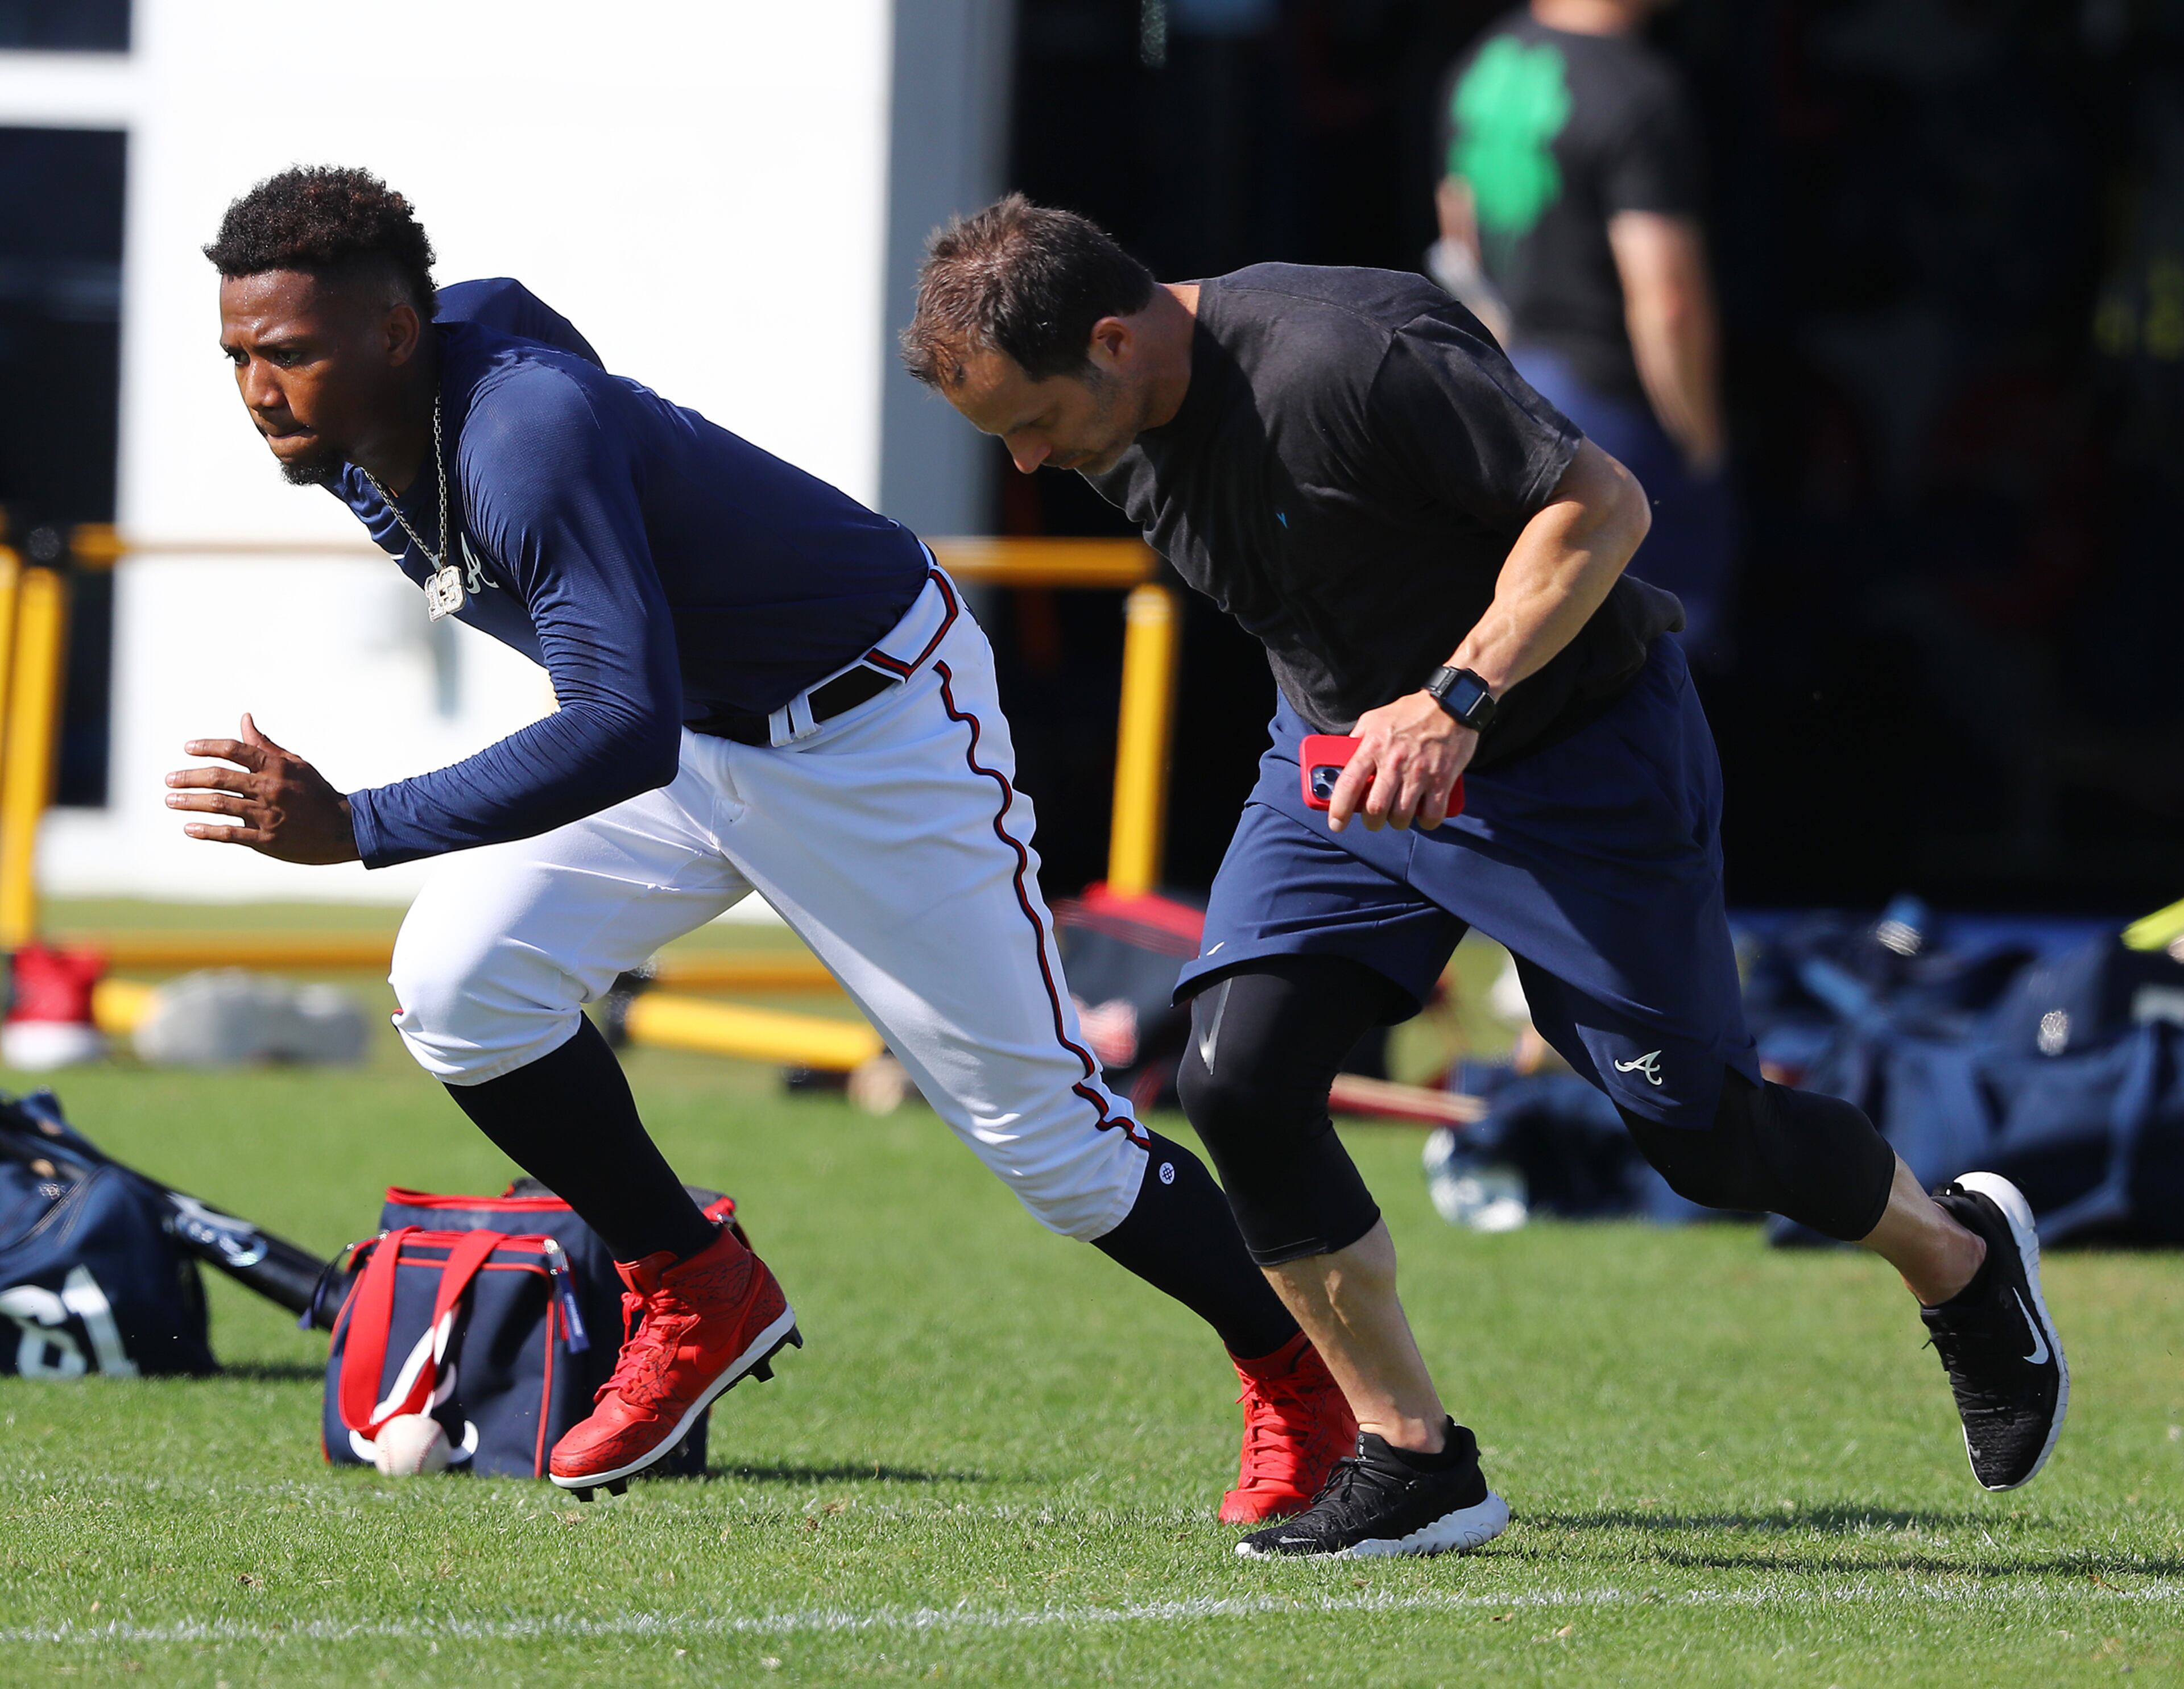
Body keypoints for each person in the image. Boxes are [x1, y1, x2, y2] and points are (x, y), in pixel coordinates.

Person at [177, 166, 1358, 1516]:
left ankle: (1305, 1385)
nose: (257, 388)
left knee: (1054, 1145)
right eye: (236, 355)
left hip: (868, 727)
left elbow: (615, 720)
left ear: (395, 334)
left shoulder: (515, 433)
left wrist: (363, 826)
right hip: (700, 738)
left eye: (287, 353)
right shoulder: (391, 401)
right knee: (459, 988)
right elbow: (531, 341)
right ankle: (693, 1285)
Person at [905, 196, 2068, 1559]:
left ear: (1113, 338)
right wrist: (1380, 726)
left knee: (1701, 1139)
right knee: (1234, 1073)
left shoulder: (1349, 355)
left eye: (1031, 422)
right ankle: (1412, 1458)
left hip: (1569, 761)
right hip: (1344, 761)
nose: (1031, 464)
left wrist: (1453, 698)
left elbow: (1602, 504)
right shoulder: (1113, 407)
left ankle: (1958, 1258)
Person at [1434, 0, 1734, 660]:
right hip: (1611, 417)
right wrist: (1702, 444)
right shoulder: (1639, 92)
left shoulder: (1487, 65)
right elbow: (1668, 301)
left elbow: (1457, 233)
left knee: (1528, 655)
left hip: (1508, 394)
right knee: (1654, 665)